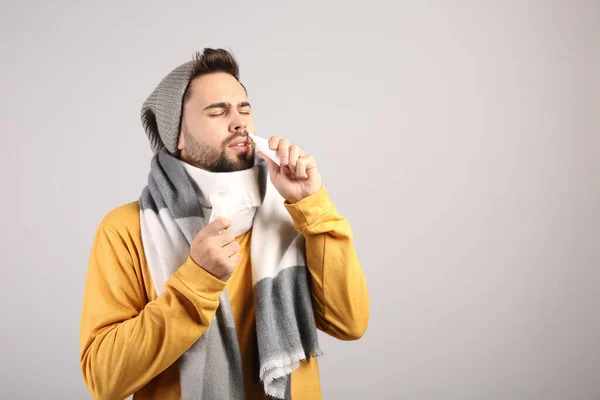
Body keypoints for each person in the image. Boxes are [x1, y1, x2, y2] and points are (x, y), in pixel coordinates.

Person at [79, 48, 370, 400]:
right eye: (217, 111)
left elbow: (349, 323)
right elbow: (104, 379)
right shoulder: (126, 229)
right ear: (178, 136)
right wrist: (196, 281)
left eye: (244, 108)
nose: (239, 121)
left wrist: (313, 205)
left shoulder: (293, 210)